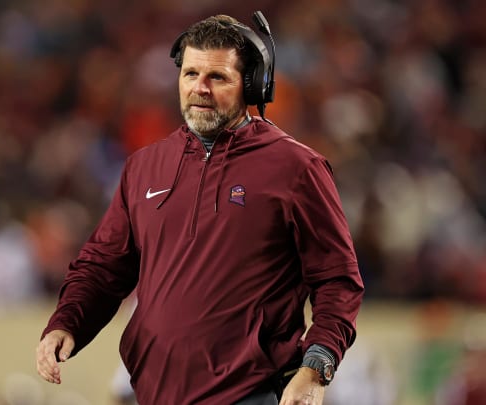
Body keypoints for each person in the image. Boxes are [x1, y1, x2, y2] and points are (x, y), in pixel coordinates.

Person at [36, 12, 364, 405]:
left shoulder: (296, 168)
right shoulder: (144, 167)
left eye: (217, 77)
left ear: (252, 85)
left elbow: (337, 280)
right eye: (190, 74)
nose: (200, 88)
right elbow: (104, 266)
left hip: (251, 393)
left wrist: (317, 366)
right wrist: (67, 323)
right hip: (155, 394)